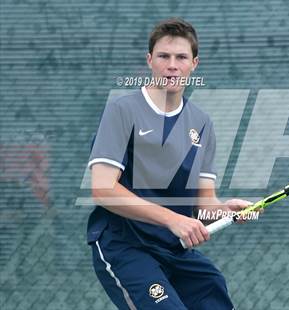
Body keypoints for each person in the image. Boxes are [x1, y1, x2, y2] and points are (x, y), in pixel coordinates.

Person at [87, 17, 251, 309]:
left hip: (173, 249)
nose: (172, 65)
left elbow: (203, 206)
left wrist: (227, 211)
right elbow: (102, 189)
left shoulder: (202, 123)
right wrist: (173, 220)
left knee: (214, 290)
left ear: (194, 64)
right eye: (164, 56)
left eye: (181, 57)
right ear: (150, 60)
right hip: (125, 247)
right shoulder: (122, 111)